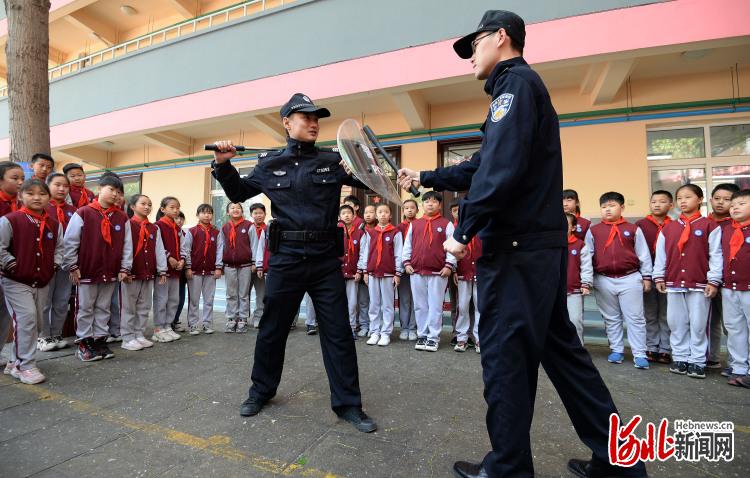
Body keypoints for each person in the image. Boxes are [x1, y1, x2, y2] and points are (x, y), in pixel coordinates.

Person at [398, 10, 647, 477]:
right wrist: (426, 177)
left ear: (501, 37)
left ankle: (508, 468)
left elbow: (500, 172)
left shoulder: (515, 88)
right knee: (566, 357)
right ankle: (620, 462)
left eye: (474, 45)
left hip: (515, 253)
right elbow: (483, 163)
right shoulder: (519, 92)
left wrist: (463, 230)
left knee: (505, 361)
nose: (470, 55)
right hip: (535, 250)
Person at [211, 92, 376, 433]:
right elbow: (239, 193)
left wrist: (360, 163)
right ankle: (261, 391)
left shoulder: (332, 161)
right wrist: (224, 165)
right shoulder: (270, 163)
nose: (314, 123)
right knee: (272, 330)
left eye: (317, 118)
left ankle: (348, 404)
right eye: (306, 118)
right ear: (287, 123)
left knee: (338, 333)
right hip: (285, 260)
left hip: (324, 261)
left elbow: (371, 183)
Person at [653, 184, 722, 379]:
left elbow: (716, 255)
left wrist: (713, 280)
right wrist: (659, 275)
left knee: (699, 323)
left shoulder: (709, 226)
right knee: (676, 322)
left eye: (688, 197)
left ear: (700, 199)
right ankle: (681, 357)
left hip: (700, 283)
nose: (683, 201)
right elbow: (661, 255)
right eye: (680, 198)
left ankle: (698, 360)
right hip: (674, 282)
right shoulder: (669, 228)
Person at [63, 173, 132, 362]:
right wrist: (72, 265)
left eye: (119, 192)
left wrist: (125, 267)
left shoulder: (122, 217)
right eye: (111, 190)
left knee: (104, 307)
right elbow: (70, 241)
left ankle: (100, 339)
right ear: (100, 189)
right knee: (85, 307)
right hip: (87, 269)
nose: (115, 195)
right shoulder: (84, 212)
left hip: (110, 271)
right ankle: (84, 342)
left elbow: (127, 245)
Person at [0, 179, 63, 384]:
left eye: (42, 194)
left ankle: (13, 360)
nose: (37, 197)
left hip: (42, 280)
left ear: (49, 198)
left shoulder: (54, 223)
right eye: (30, 193)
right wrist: (12, 265)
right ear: (20, 196)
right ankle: (25, 366)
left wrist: (53, 265)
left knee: (36, 321)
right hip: (16, 281)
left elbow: (60, 248)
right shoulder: (10, 220)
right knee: (26, 318)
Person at [585, 192, 652, 369]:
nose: (607, 209)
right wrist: (589, 279)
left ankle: (639, 353)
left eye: (612, 205)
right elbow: (588, 255)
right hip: (603, 278)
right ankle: (616, 350)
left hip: (630, 277)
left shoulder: (633, 229)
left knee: (635, 317)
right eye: (604, 206)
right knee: (611, 317)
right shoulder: (593, 230)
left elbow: (643, 254)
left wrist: (647, 277)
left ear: (622, 207)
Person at [402, 191, 456, 353]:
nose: (430, 204)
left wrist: (449, 265)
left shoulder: (447, 224)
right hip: (416, 271)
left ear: (439, 205)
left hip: (438, 272)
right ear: (422, 205)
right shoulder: (415, 224)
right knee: (420, 306)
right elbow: (408, 246)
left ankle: (433, 337)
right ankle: (422, 334)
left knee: (435, 306)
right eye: (426, 201)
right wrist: (406, 263)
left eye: (434, 201)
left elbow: (452, 247)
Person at [121, 194, 166, 351]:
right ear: (133, 207)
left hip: (148, 272)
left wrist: (162, 270)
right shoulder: (127, 225)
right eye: (143, 204)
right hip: (132, 273)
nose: (147, 207)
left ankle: (139, 334)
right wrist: (124, 269)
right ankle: (127, 337)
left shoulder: (154, 228)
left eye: (149, 204)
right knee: (129, 306)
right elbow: (124, 248)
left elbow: (159, 250)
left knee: (144, 306)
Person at [38, 173, 76, 352]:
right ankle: (43, 336)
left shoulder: (73, 210)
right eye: (57, 185)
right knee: (45, 301)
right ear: (47, 186)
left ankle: (56, 334)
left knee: (61, 300)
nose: (62, 189)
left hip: (67, 261)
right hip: (47, 261)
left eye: (65, 186)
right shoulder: (42, 208)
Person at [635, 190, 673, 363]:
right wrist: (645, 275)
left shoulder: (674, 225)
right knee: (649, 313)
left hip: (668, 276)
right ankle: (651, 346)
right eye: (654, 201)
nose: (657, 204)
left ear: (671, 205)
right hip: (648, 276)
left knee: (666, 314)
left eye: (662, 201)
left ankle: (665, 348)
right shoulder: (640, 225)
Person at [359, 203, 402, 346]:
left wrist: (397, 273)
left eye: (386, 212)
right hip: (372, 273)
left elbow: (398, 254)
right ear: (376, 215)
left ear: (390, 215)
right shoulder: (370, 233)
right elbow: (365, 253)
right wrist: (365, 271)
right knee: (374, 304)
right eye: (380, 212)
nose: (383, 214)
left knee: (388, 305)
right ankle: (374, 331)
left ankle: (386, 333)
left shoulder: (395, 232)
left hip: (389, 274)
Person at [707, 183, 740, 370]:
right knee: (710, 320)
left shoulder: (736, 225)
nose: (721, 203)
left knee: (732, 325)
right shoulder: (703, 223)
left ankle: (737, 363)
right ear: (710, 200)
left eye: (727, 199)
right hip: (708, 282)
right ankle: (711, 357)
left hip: (731, 282)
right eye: (717, 198)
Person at [723, 189, 750, 387]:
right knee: (734, 328)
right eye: (733, 205)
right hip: (730, 287)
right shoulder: (726, 230)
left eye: (741, 203)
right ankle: (739, 367)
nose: (735, 208)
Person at [182, 203, 223, 335]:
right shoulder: (192, 231)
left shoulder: (217, 232)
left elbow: (220, 251)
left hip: (211, 271)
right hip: (195, 271)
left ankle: (207, 324)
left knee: (209, 299)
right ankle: (193, 325)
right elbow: (186, 250)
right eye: (203, 212)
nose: (206, 215)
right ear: (197, 215)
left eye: (209, 212)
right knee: (194, 299)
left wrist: (218, 267)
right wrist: (188, 267)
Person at [0, 161, 23, 373]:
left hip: (15, 271)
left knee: (8, 315)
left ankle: (13, 359)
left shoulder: (22, 204)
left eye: (22, 178)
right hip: (3, 264)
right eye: (14, 178)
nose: (19, 182)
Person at [152, 196, 184, 343]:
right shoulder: (157, 226)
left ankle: (167, 326)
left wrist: (182, 260)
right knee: (161, 299)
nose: (175, 210)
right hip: (163, 270)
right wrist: (169, 257)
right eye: (172, 207)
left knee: (173, 300)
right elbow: (157, 246)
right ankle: (158, 328)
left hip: (176, 270)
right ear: (163, 209)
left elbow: (183, 247)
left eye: (177, 207)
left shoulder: (177, 228)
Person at [220, 202, 253, 333]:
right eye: (232, 208)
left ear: (242, 211)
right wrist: (220, 264)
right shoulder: (225, 228)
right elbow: (221, 246)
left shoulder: (248, 226)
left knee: (243, 294)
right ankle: (231, 318)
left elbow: (254, 245)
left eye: (238, 208)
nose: (235, 210)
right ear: (228, 212)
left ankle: (243, 318)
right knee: (231, 293)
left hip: (245, 265)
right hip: (229, 265)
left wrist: (256, 262)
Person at [453, 207, 483, 353]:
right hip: (463, 272)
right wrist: (453, 269)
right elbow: (452, 251)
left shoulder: (484, 227)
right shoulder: (458, 228)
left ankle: (480, 338)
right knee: (463, 306)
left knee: (480, 306)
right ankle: (462, 337)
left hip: (481, 272)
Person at [565, 213, 592, 345]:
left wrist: (586, 283)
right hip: (552, 291)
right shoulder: (550, 246)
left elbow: (586, 266)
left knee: (575, 321)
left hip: (573, 291)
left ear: (574, 227)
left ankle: (577, 350)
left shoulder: (579, 245)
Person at [339, 204, 365, 338]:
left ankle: (352, 328)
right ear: (339, 216)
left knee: (352, 302)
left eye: (349, 213)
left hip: (353, 273)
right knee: (337, 302)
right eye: (344, 213)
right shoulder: (335, 232)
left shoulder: (360, 233)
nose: (347, 215)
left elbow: (363, 253)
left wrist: (359, 271)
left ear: (354, 216)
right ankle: (338, 329)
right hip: (337, 273)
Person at [397, 199, 418, 341]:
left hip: (417, 267)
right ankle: (404, 327)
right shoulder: (398, 228)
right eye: (406, 208)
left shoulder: (420, 224)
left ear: (417, 209)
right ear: (403, 211)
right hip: (403, 268)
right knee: (404, 299)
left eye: (412, 208)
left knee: (417, 299)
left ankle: (413, 327)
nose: (409, 210)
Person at [249, 203, 267, 328]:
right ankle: (243, 318)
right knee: (244, 293)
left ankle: (259, 318)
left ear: (265, 214)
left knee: (261, 294)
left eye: (261, 213)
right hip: (248, 266)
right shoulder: (248, 228)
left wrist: (259, 264)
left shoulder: (269, 229)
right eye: (256, 213)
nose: (258, 215)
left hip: (261, 267)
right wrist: (252, 262)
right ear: (251, 215)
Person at [171, 211, 188, 332]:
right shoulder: (167, 231)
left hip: (182, 272)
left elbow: (186, 251)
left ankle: (175, 320)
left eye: (181, 219)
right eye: (177, 218)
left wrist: (183, 262)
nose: (179, 221)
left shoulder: (184, 233)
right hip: (170, 271)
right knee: (171, 298)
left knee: (181, 298)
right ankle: (169, 322)